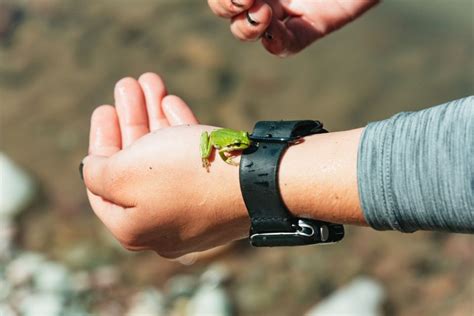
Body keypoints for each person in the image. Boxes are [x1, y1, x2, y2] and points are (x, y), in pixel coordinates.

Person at [80, 1, 473, 258]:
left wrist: (244, 191)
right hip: (215, 143)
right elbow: (218, 144)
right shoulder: (227, 143)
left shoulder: (239, 145)